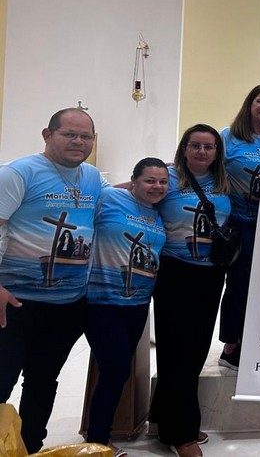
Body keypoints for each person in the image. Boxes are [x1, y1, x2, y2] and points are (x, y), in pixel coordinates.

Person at [0, 107, 104, 453]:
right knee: (1, 380)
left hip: (67, 305)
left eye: (85, 136)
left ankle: (30, 446)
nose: (78, 142)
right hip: (15, 302)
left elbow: (119, 198)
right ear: (47, 135)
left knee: (43, 381)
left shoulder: (91, 177)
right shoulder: (19, 173)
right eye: (69, 134)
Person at [151, 124, 231, 457]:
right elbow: (135, 193)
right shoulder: (167, 178)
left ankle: (166, 419)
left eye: (209, 147)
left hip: (210, 275)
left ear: (217, 152)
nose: (202, 152)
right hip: (174, 272)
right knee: (176, 350)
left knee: (196, 350)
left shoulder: (224, 181)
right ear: (184, 148)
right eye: (195, 145)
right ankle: (181, 433)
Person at [85, 158, 169, 456]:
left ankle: (100, 436)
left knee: (117, 371)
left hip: (137, 304)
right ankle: (97, 440)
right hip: (101, 301)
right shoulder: (111, 198)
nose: (157, 186)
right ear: (133, 181)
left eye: (163, 181)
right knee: (116, 368)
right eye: (149, 180)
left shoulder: (158, 214)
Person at [218, 85, 260, 370]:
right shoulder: (228, 137)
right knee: (238, 283)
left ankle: (252, 340)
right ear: (250, 104)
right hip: (238, 221)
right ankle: (230, 345)